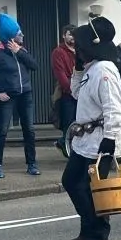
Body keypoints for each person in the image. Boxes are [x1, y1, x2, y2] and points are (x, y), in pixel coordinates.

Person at [62, 18, 121, 240]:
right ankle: (87, 228)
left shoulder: (104, 70)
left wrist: (109, 140)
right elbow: (77, 93)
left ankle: (98, 236)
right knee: (72, 181)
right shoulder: (92, 68)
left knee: (92, 189)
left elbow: (114, 108)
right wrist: (77, 70)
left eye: (78, 46)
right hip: (85, 140)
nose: (76, 49)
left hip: (100, 139)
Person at [0, 13, 39, 179]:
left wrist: (19, 52)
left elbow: (34, 66)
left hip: (25, 95)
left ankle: (32, 164)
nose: (22, 36)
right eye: (18, 34)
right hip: (8, 97)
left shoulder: (23, 50)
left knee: (29, 129)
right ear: (9, 37)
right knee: (2, 131)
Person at [50, 25, 77, 155]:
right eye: (69, 34)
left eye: (74, 34)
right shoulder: (58, 52)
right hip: (67, 93)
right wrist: (71, 90)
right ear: (63, 36)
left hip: (82, 93)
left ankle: (63, 143)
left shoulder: (80, 51)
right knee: (68, 122)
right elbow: (60, 74)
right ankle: (67, 148)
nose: (72, 37)